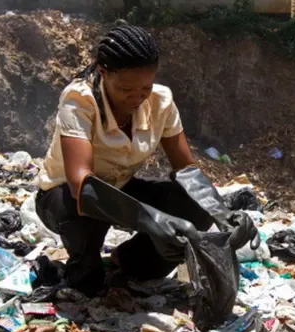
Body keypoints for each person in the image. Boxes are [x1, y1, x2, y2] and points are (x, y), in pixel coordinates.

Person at [34, 25, 256, 297]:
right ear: (103, 74)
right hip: (63, 197)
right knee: (87, 263)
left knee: (192, 204)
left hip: (120, 187)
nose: (138, 97)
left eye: (146, 87)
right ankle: (84, 267)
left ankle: (126, 261)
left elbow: (187, 170)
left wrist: (223, 213)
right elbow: (81, 182)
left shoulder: (160, 101)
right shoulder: (80, 100)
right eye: (126, 88)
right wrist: (149, 218)